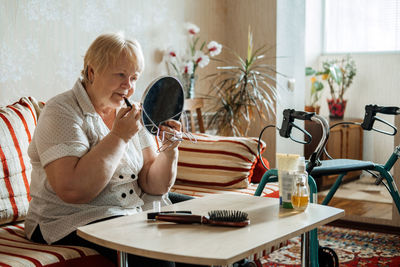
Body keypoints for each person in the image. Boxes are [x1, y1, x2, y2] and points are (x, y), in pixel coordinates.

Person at [25, 32, 200, 267]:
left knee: (206, 220)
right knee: (158, 255)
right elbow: (74, 191)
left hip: (129, 207)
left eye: (134, 78)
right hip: (72, 216)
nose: (128, 87)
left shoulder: (131, 111)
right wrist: (119, 136)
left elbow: (152, 184)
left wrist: (169, 149)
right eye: (120, 75)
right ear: (91, 72)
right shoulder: (61, 112)